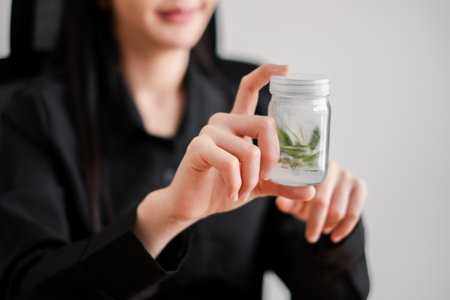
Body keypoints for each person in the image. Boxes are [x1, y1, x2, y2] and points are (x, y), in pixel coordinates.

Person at [0, 0, 370, 299]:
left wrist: (330, 228)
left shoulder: (258, 102)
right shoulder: (31, 115)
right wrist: (162, 219)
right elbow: (25, 285)